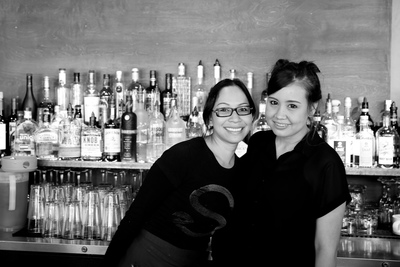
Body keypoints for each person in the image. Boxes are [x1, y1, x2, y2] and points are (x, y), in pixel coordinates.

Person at [102, 78, 256, 267]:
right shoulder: (183, 156)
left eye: (243, 109)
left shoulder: (242, 172)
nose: (235, 118)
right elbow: (136, 215)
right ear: (209, 118)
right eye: (224, 110)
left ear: (252, 116)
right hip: (146, 259)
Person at [232, 59, 351, 267]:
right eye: (274, 102)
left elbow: (325, 250)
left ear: (312, 108)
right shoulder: (259, 143)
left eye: (292, 106)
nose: (279, 115)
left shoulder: (325, 163)